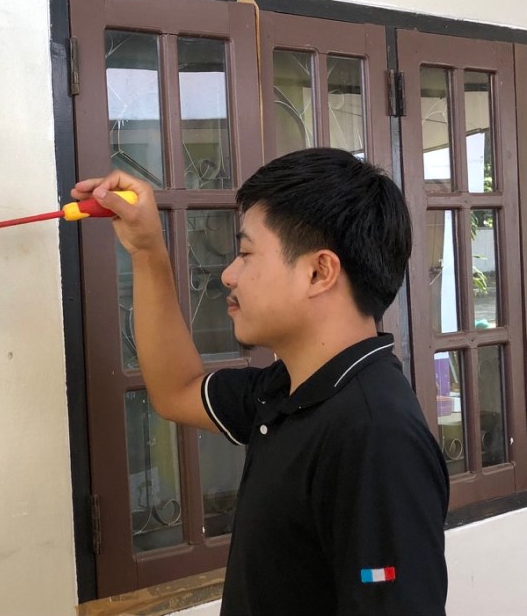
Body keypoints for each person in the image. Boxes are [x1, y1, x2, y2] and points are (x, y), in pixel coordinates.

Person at [72, 148, 449, 616]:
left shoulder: (375, 436)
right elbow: (176, 391)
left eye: (246, 253)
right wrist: (147, 250)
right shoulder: (288, 389)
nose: (229, 274)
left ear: (319, 272)